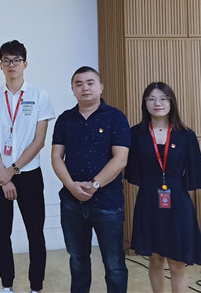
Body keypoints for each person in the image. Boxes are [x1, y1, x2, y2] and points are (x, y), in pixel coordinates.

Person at [0, 39, 55, 293]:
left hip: (29, 174)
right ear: (0, 65)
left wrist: (12, 171)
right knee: (2, 234)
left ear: (25, 64)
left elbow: (39, 141)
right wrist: (3, 176)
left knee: (35, 234)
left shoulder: (39, 96)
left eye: (16, 60)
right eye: (6, 61)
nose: (11, 65)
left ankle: (36, 287)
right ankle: (7, 286)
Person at [51, 66, 130, 293]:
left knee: (114, 264)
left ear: (101, 87)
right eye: (79, 84)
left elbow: (120, 159)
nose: (84, 87)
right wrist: (71, 186)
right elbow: (56, 157)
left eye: (90, 82)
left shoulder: (116, 117)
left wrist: (94, 185)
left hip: (108, 202)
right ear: (73, 89)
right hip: (71, 203)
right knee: (78, 260)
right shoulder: (65, 119)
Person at [125, 82, 201, 293]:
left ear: (172, 102)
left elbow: (195, 171)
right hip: (148, 201)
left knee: (177, 263)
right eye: (151, 99)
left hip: (178, 202)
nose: (157, 103)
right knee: (154, 259)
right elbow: (131, 169)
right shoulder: (135, 133)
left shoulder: (186, 135)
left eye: (163, 98)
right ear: (145, 104)